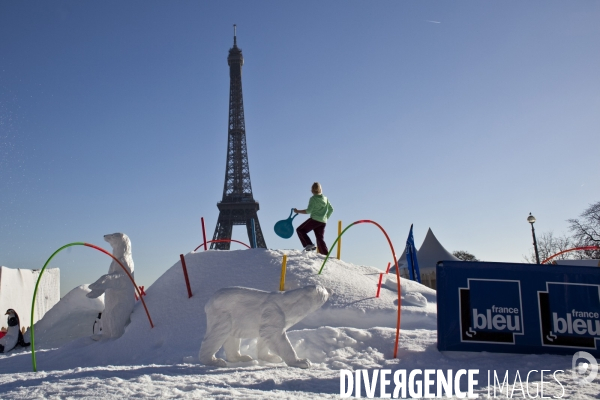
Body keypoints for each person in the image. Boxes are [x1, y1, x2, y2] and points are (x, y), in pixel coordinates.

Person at [293, 182, 334, 254]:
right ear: (321, 189)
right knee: (320, 238)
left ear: (312, 190)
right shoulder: (325, 198)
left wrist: (297, 211)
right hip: (323, 221)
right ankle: (325, 254)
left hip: (315, 220)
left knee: (300, 230)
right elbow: (331, 209)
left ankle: (308, 244)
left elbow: (308, 211)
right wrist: (326, 217)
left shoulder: (313, 199)